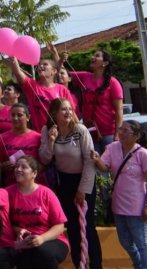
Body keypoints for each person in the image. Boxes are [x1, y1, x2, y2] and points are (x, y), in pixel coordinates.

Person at [38, 98, 101, 269]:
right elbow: (44, 158)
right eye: (63, 110)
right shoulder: (47, 130)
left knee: (87, 227)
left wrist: (82, 190)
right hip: (63, 182)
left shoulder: (80, 130)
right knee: (73, 228)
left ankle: (96, 265)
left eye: (69, 109)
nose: (68, 112)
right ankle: (79, 264)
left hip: (83, 181)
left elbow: (90, 161)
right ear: (54, 113)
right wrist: (51, 140)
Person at [91, 120, 147, 269]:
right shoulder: (112, 148)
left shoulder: (143, 154)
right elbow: (104, 167)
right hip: (119, 205)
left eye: (126, 131)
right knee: (125, 241)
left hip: (137, 206)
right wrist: (96, 158)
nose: (121, 133)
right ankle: (138, 264)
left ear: (136, 136)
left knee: (142, 243)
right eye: (121, 130)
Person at [7, 156, 69, 268]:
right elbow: (4, 222)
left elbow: (59, 226)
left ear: (34, 174)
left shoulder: (46, 193)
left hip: (51, 239)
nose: (18, 169)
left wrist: (42, 238)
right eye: (16, 166)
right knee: (23, 255)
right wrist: (17, 230)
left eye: (23, 167)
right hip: (24, 243)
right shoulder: (8, 193)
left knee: (42, 252)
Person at [63, 47, 124, 153]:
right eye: (93, 55)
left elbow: (119, 110)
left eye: (97, 56)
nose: (92, 57)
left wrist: (117, 134)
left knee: (109, 166)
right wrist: (58, 58)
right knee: (93, 166)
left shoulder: (113, 83)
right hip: (89, 132)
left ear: (104, 63)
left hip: (109, 134)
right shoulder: (85, 76)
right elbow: (63, 74)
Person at [7, 56, 76, 134]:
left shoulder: (62, 89)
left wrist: (78, 129)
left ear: (54, 71)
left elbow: (72, 112)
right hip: (42, 135)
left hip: (63, 133)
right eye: (39, 65)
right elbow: (17, 72)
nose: (41, 66)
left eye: (45, 64)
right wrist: (13, 55)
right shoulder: (32, 86)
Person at [0, 103, 40, 185]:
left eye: (19, 115)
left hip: (32, 184)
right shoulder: (2, 138)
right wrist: (2, 166)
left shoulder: (38, 137)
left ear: (28, 117)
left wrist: (30, 170)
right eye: (12, 115)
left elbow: (43, 163)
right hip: (10, 185)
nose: (15, 118)